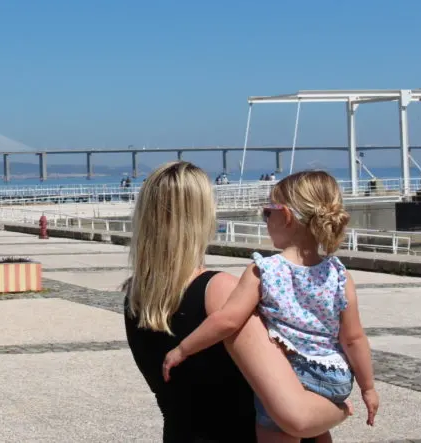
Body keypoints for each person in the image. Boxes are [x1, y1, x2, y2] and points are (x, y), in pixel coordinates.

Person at [124, 161, 350, 442]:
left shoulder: (136, 296)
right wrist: (340, 409)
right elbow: (299, 417)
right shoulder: (219, 292)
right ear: (204, 217)